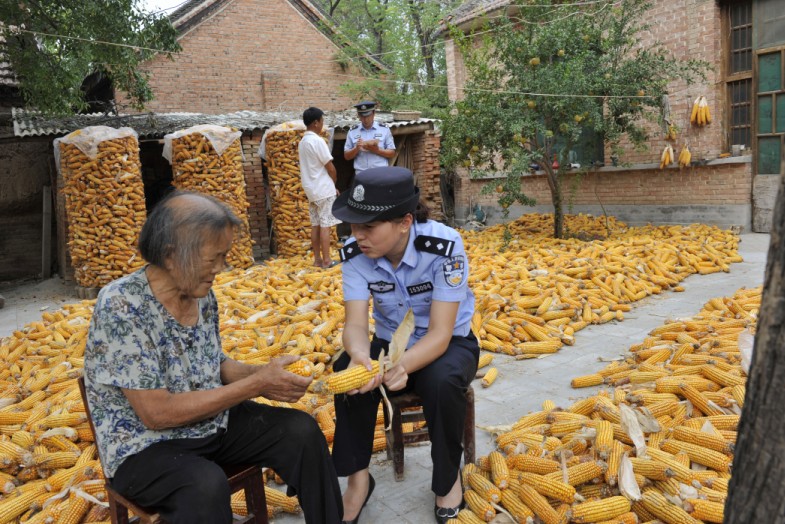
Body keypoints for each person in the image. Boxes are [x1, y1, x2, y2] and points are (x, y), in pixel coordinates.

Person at [83, 191, 343, 524]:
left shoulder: (201, 294)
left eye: (224, 257)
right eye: (213, 258)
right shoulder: (121, 307)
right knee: (205, 486)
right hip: (144, 447)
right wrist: (254, 386)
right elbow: (156, 414)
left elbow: (215, 365)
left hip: (208, 425)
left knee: (302, 432)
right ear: (172, 255)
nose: (221, 269)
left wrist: (263, 374)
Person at [330, 166, 479, 524]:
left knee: (441, 383)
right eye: (353, 225)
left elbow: (441, 334)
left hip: (448, 343)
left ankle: (447, 481)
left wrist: (402, 367)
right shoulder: (354, 254)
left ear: (404, 222)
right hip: (388, 341)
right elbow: (353, 325)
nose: (358, 236)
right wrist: (359, 354)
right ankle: (358, 482)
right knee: (345, 375)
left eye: (368, 227)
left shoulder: (444, 246)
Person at [299, 106, 341, 268]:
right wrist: (333, 185)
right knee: (325, 225)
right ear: (316, 123)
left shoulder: (303, 142)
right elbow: (330, 168)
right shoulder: (317, 141)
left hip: (311, 190)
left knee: (315, 224)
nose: (323, 124)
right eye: (322, 121)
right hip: (323, 189)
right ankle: (327, 260)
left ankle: (317, 259)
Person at [343, 101, 396, 174]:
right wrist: (356, 149)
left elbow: (392, 153)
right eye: (362, 116)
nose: (365, 119)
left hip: (380, 173)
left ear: (374, 113)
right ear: (358, 115)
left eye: (368, 115)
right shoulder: (352, 131)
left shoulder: (384, 129)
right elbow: (346, 156)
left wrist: (377, 150)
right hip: (361, 174)